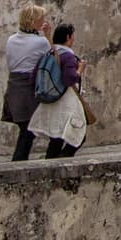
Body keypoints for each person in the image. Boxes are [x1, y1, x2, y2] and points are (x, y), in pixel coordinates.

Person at [28, 22, 88, 159]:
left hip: (50, 102)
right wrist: (80, 69)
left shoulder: (48, 54)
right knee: (79, 134)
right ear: (68, 37)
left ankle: (50, 164)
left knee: (56, 137)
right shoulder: (68, 56)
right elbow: (70, 79)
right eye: (72, 36)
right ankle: (62, 160)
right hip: (66, 102)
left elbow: (34, 77)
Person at [0, 3, 51, 162]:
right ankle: (18, 165)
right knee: (29, 131)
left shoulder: (11, 40)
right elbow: (55, 57)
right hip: (28, 87)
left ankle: (20, 163)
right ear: (33, 21)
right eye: (41, 18)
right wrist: (48, 36)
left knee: (26, 129)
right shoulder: (41, 42)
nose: (44, 21)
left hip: (14, 86)